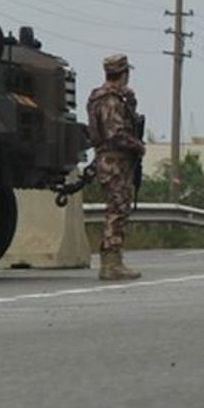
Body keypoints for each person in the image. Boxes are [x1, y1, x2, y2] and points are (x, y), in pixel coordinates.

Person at [87, 54, 146, 280]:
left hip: (107, 158)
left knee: (117, 208)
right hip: (115, 160)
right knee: (117, 209)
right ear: (124, 73)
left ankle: (112, 261)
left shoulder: (99, 98)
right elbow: (116, 134)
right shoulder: (111, 100)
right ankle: (112, 262)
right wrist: (138, 146)